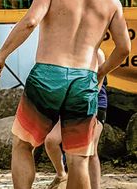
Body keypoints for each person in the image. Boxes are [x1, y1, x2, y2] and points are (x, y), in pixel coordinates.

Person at [0, 0, 131, 189]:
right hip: (84, 79)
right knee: (78, 158)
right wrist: (100, 72)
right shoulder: (111, 2)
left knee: (23, 144)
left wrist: (2, 55)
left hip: (48, 74)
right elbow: (124, 48)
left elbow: (30, 22)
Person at [44, 49, 108, 189]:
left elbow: (97, 86)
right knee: (51, 141)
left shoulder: (97, 53)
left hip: (94, 104)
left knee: (90, 151)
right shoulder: (63, 51)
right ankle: (61, 175)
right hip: (70, 105)